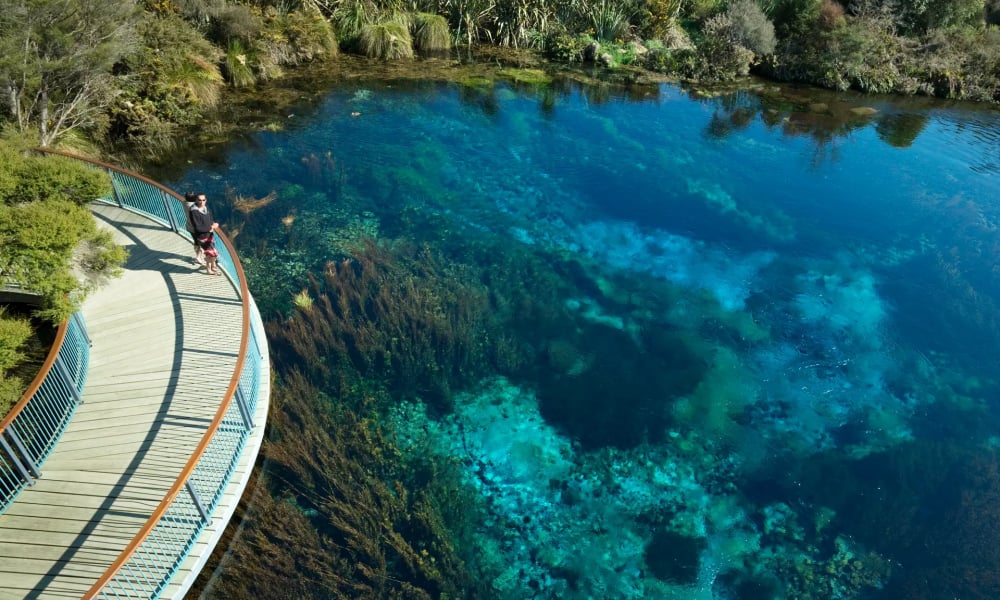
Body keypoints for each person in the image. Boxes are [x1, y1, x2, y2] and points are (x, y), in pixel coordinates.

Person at [189, 193, 221, 275]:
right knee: (210, 254)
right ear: (196, 200)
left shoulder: (205, 208)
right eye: (199, 200)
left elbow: (210, 219)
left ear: (206, 200)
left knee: (212, 253)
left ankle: (213, 267)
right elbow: (197, 227)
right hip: (202, 237)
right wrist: (211, 227)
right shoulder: (194, 212)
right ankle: (209, 270)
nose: (202, 202)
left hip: (209, 235)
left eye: (203, 200)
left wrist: (213, 224)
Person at [184, 191, 205, 265]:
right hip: (196, 229)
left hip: (189, 227)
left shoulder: (184, 203)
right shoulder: (195, 208)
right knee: (200, 242)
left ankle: (199, 255)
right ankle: (198, 257)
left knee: (196, 242)